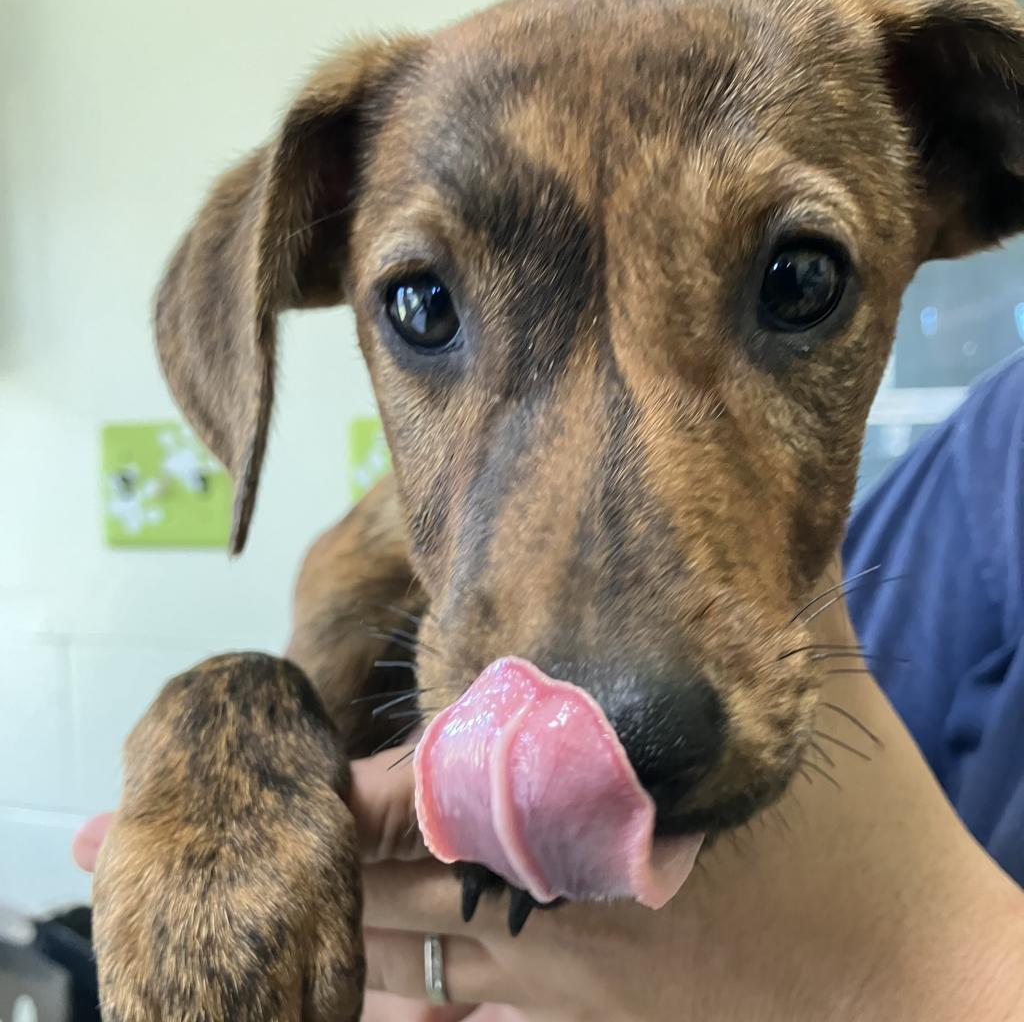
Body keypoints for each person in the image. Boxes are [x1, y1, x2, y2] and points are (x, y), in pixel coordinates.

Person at [73, 356, 1024, 1021]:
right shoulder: (991, 459)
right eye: (428, 310)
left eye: (793, 288)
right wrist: (220, 743)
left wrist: (899, 979)